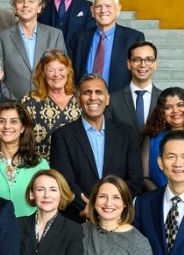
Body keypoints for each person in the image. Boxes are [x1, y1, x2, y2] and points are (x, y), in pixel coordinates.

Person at [49, 74, 144, 220]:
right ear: (78, 100)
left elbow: (135, 179)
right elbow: (64, 181)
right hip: (78, 217)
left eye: (98, 92)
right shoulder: (62, 136)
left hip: (118, 217)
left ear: (107, 99)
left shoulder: (127, 133)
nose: (93, 97)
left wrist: (112, 206)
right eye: (87, 93)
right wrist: (88, 207)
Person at [0, 0, 66, 100]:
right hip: (14, 107)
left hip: (50, 105)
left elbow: (63, 73)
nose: (26, 5)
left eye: (31, 1)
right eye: (21, 1)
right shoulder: (1, 38)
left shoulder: (55, 35)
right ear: (15, 8)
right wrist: (15, 103)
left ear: (39, 7)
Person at [67, 0, 145, 93]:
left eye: (108, 6)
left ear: (118, 9)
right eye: (99, 6)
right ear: (92, 11)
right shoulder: (78, 38)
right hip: (84, 100)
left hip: (119, 102)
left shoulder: (134, 38)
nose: (103, 10)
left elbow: (140, 74)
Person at [0, 101, 50, 216]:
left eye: (14, 121)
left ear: (23, 128)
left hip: (30, 232)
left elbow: (49, 204)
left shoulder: (40, 165)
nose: (7, 126)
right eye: (1, 121)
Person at [20, 50, 81, 160]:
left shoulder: (81, 99)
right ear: (43, 73)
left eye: (61, 69)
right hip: (40, 169)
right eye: (50, 70)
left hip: (76, 169)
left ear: (68, 71)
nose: (56, 74)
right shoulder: (29, 101)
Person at [107, 41, 161, 135]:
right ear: (129, 64)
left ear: (155, 64)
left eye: (149, 59)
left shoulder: (164, 99)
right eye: (137, 60)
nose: (143, 65)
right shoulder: (113, 99)